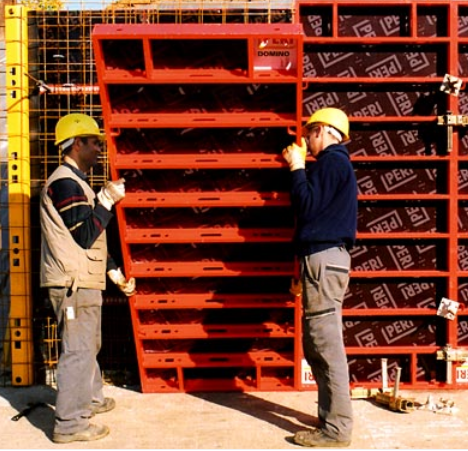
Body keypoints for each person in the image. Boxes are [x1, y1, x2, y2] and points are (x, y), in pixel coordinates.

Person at [40, 113, 136, 444]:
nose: (100, 148)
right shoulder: (65, 183)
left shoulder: (75, 182)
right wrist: (107, 200)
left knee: (86, 344)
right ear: (76, 143)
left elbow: (89, 238)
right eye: (95, 142)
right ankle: (69, 424)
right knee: (78, 350)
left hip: (81, 281)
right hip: (72, 284)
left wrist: (113, 272)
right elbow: (84, 234)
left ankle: (91, 399)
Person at [282, 107, 357, 448]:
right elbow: (317, 218)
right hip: (324, 260)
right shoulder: (336, 164)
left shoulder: (332, 162)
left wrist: (297, 167)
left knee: (326, 347)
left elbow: (307, 208)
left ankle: (336, 430)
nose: (307, 141)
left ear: (325, 131)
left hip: (324, 260)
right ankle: (330, 420)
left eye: (310, 132)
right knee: (319, 345)